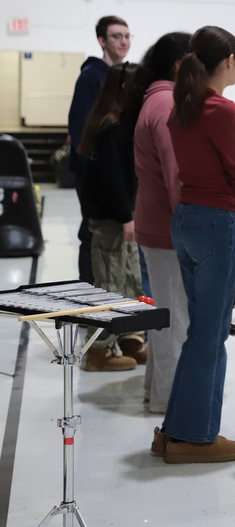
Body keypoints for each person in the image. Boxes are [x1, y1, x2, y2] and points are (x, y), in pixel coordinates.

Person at [151, 25, 235, 465]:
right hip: (216, 224)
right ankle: (197, 437)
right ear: (229, 60)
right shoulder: (220, 109)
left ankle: (173, 431)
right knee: (210, 337)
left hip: (186, 222)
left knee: (200, 333)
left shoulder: (183, 110)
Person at [129, 32, 192, 412]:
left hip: (155, 223)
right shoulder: (168, 102)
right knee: (174, 321)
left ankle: (156, 391)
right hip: (168, 228)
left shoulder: (154, 98)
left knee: (163, 317)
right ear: (179, 64)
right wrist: (192, 228)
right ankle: (168, 401)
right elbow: (176, 176)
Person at [77, 61, 145, 372]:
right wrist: (125, 215)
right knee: (109, 283)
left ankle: (129, 338)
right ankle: (98, 351)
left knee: (129, 279)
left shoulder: (114, 124)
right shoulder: (111, 127)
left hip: (120, 219)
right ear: (123, 89)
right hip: (113, 222)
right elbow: (112, 178)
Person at [68, 15, 131, 284]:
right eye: (117, 36)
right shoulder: (90, 77)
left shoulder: (121, 77)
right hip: (94, 173)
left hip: (114, 171)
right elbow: (82, 131)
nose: (124, 42)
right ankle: (89, 294)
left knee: (113, 235)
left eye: (127, 36)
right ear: (101, 41)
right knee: (92, 232)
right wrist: (90, 176)